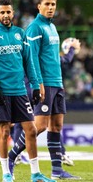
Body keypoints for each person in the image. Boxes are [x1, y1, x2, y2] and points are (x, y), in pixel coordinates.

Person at [8, 0, 81, 180]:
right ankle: (11, 156)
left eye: (53, 4)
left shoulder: (53, 27)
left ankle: (57, 170)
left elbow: (51, 58)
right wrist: (37, 84)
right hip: (45, 84)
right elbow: (31, 59)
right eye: (47, 4)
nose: (50, 8)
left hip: (57, 83)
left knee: (56, 127)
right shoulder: (34, 28)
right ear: (38, 6)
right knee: (39, 126)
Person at [0, 0, 56, 182]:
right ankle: (6, 172)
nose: (6, 15)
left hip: (20, 91)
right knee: (4, 131)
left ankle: (36, 173)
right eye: (2, 12)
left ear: (13, 13)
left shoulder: (20, 33)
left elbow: (28, 62)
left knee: (31, 130)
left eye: (9, 12)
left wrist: (35, 85)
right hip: (2, 91)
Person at [8, 38, 81, 169]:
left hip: (25, 90)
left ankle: (58, 161)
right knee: (41, 125)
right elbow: (64, 60)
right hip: (36, 89)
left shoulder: (25, 55)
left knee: (50, 124)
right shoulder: (36, 56)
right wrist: (71, 50)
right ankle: (13, 154)